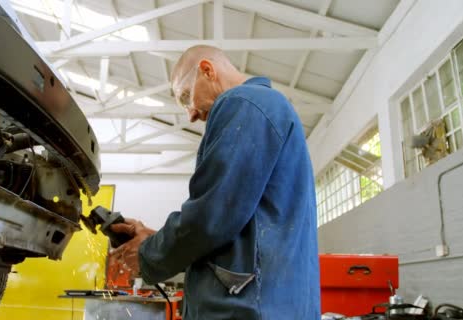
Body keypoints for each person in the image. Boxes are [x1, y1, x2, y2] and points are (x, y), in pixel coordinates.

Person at [109, 45, 320, 319]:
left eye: (186, 97)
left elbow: (211, 217)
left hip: (247, 309)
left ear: (207, 70)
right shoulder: (267, 108)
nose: (191, 114)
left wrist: (148, 254)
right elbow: (232, 231)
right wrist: (153, 238)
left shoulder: (243, 102)